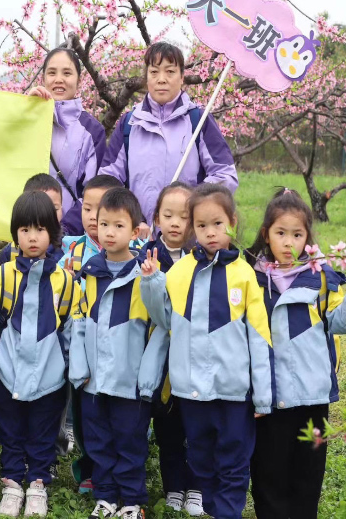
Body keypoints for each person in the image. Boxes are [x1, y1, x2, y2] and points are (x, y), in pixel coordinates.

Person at [140, 183, 272, 519]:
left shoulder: (245, 275)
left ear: (233, 221)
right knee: (201, 459)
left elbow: (259, 337)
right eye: (201, 226)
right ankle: (214, 509)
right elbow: (163, 318)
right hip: (191, 392)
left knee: (233, 460)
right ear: (191, 228)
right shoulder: (180, 272)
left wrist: (263, 395)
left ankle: (227, 512)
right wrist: (153, 283)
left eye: (218, 224)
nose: (210, 233)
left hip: (233, 394)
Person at [245, 188, 346, 519]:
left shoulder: (319, 280)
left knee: (308, 473)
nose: (289, 242)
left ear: (307, 238)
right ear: (266, 235)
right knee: (268, 472)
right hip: (269, 400)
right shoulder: (252, 280)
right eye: (281, 233)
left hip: (312, 396)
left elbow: (338, 322)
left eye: (297, 234)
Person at [0, 191, 82, 518]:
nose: (32, 237)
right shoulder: (1, 276)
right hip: (6, 372)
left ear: (52, 233)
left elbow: (72, 329)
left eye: (40, 229)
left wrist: (71, 369)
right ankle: (12, 483)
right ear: (15, 233)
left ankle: (38, 483)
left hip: (49, 378)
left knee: (43, 432)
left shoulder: (66, 281)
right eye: (25, 229)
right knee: (9, 431)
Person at [69, 187, 152, 519]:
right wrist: (79, 367)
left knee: (130, 443)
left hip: (128, 381)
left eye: (118, 226)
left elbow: (159, 321)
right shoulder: (89, 272)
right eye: (104, 224)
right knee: (99, 442)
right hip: (94, 380)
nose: (109, 232)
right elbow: (77, 322)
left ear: (135, 232)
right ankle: (106, 497)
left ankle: (132, 501)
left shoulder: (143, 272)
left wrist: (153, 281)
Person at [99, 42, 238, 238]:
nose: (161, 79)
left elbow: (225, 175)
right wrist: (130, 219)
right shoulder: (129, 123)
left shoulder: (198, 120)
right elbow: (107, 179)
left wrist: (191, 206)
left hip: (188, 243)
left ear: (182, 77)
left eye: (170, 72)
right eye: (154, 72)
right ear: (146, 78)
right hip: (138, 242)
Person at [136, 182, 204, 516]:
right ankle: (173, 486)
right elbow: (155, 314)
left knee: (196, 425)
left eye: (184, 216)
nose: (176, 223)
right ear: (157, 218)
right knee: (166, 426)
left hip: (194, 356)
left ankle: (196, 487)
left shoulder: (202, 259)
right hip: (160, 357)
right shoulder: (147, 257)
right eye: (168, 215)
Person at [28, 47, 104, 234]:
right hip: (27, 231)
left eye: (67, 73)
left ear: (79, 80)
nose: (59, 79)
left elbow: (93, 191)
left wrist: (65, 229)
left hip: (70, 236)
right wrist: (25, 111)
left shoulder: (92, 131)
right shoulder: (28, 120)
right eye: (52, 73)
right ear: (43, 79)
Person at [0, 174, 65, 266]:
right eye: (39, 208)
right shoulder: (10, 253)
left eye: (54, 209)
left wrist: (70, 278)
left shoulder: (70, 249)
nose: (48, 214)